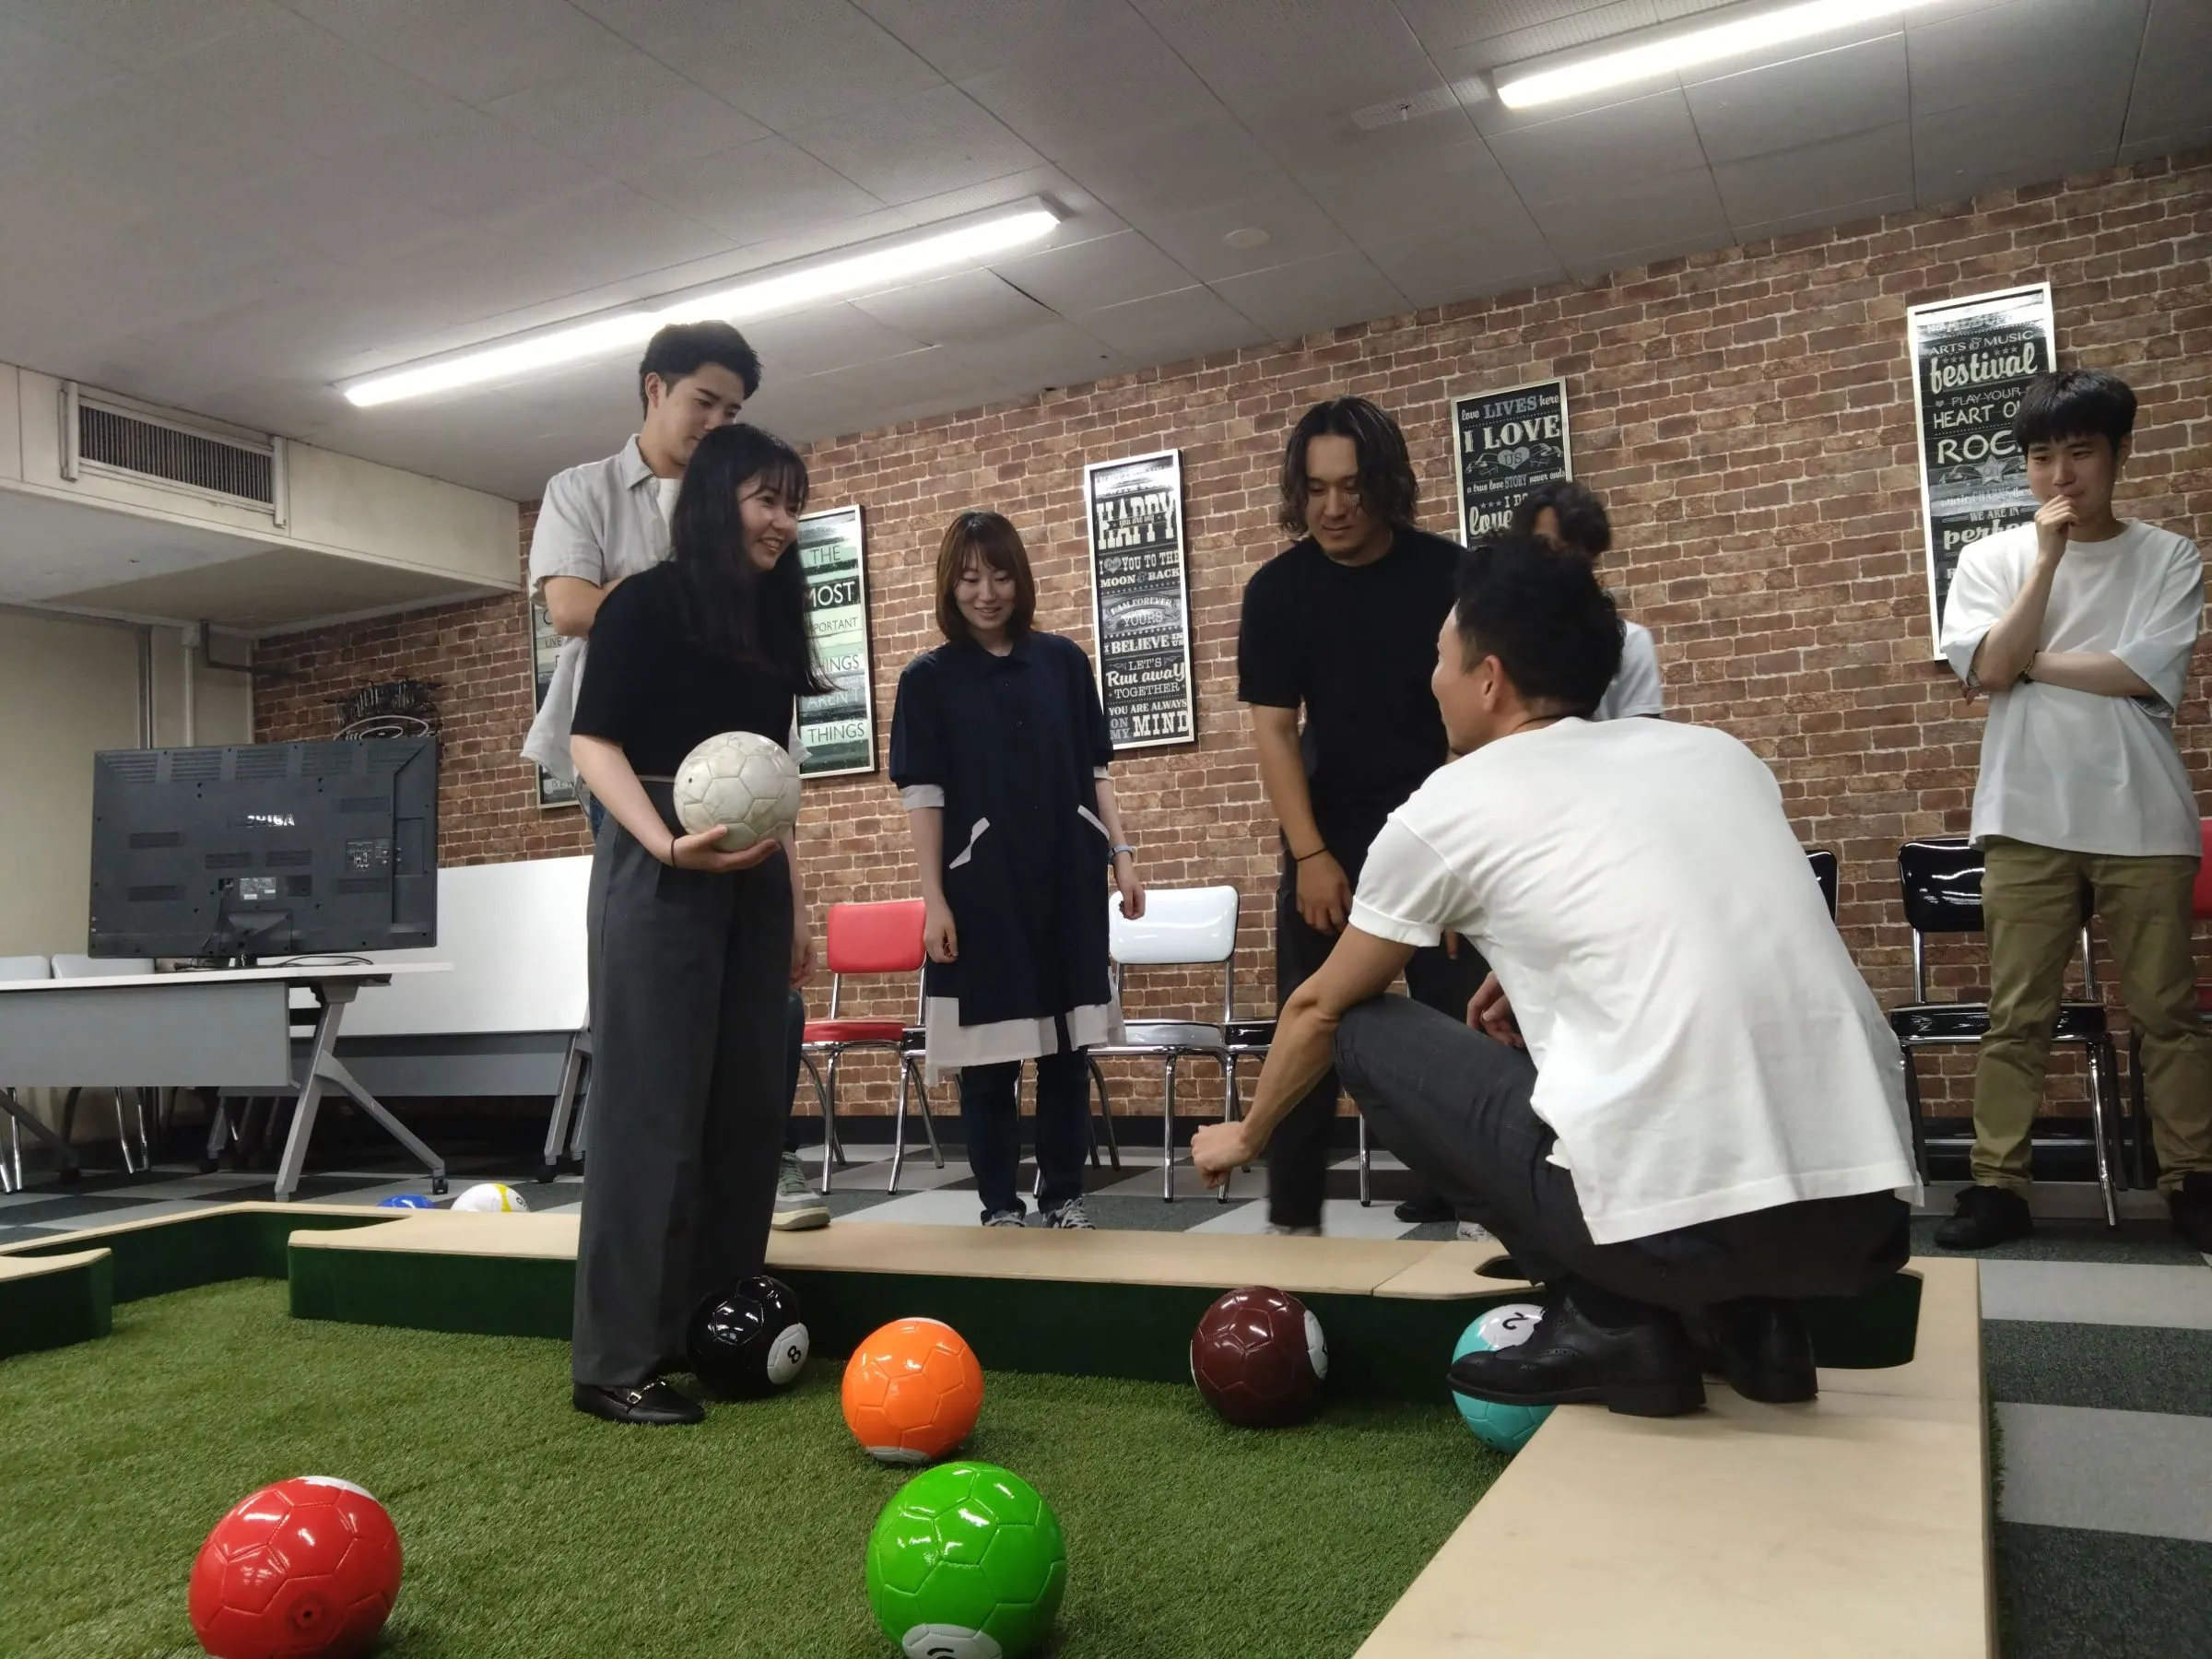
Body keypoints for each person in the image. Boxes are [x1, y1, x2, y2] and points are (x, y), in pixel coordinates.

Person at [1193, 535, 1916, 1418]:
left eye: (1441, 659)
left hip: (1674, 1235)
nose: (1432, 680)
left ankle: (1613, 1319)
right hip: (1865, 1227)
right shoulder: (1719, 755)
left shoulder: (1450, 803)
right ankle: (1757, 1328)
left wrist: (1247, 1136)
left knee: (1363, 1028)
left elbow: (1316, 1006)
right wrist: (1532, 966)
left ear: (1488, 679)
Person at [565, 423, 825, 1425]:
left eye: (793, 504)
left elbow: (770, 778)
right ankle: (613, 1361)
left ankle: (712, 1325)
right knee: (651, 1111)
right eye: (768, 500)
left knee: (745, 1106)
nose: (783, 522)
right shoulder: (644, 603)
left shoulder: (770, 622)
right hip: (658, 864)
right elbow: (593, 745)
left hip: (753, 874)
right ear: (717, 501)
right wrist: (665, 845)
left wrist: (791, 901)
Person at [1936, 368, 2212, 1252]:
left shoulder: (2169, 557)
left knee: (2166, 1012)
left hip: (2144, 816)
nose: (2060, 475)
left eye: (2081, 452)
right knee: (2017, 1013)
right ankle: (1997, 1186)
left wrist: (2024, 663)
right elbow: (1988, 668)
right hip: (2025, 816)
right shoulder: (1992, 560)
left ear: (2119, 454)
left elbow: (2136, 673)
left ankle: (2192, 1178)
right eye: (2041, 456)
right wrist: (2046, 563)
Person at [1238, 397, 1488, 1234]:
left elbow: (1481, 723)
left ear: (1384, 484)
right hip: (1330, 837)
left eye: (1350, 487)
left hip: (1442, 829)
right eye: (1315, 490)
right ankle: (1292, 1225)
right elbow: (1276, 730)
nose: (1334, 508)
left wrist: (1452, 858)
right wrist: (1310, 856)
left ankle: (1486, 1215)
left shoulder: (1450, 575)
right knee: (1310, 1022)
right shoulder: (1277, 591)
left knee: (1466, 1027)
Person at [890, 512, 1144, 1229]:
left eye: (1000, 576)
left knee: (1066, 1053)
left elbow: (1096, 771)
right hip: (981, 890)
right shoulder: (927, 680)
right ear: (950, 585)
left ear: (1021, 579)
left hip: (1067, 878)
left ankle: (1064, 1195)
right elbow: (923, 798)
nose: (987, 593)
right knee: (988, 1060)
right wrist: (935, 899)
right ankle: (998, 1205)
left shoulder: (1063, 662)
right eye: (970, 578)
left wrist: (1122, 856)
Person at [1512, 478, 1664, 720]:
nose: (1562, 569)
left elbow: (1643, 739)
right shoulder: (1492, 644)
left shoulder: (1629, 644)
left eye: (1575, 558)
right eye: (1547, 551)